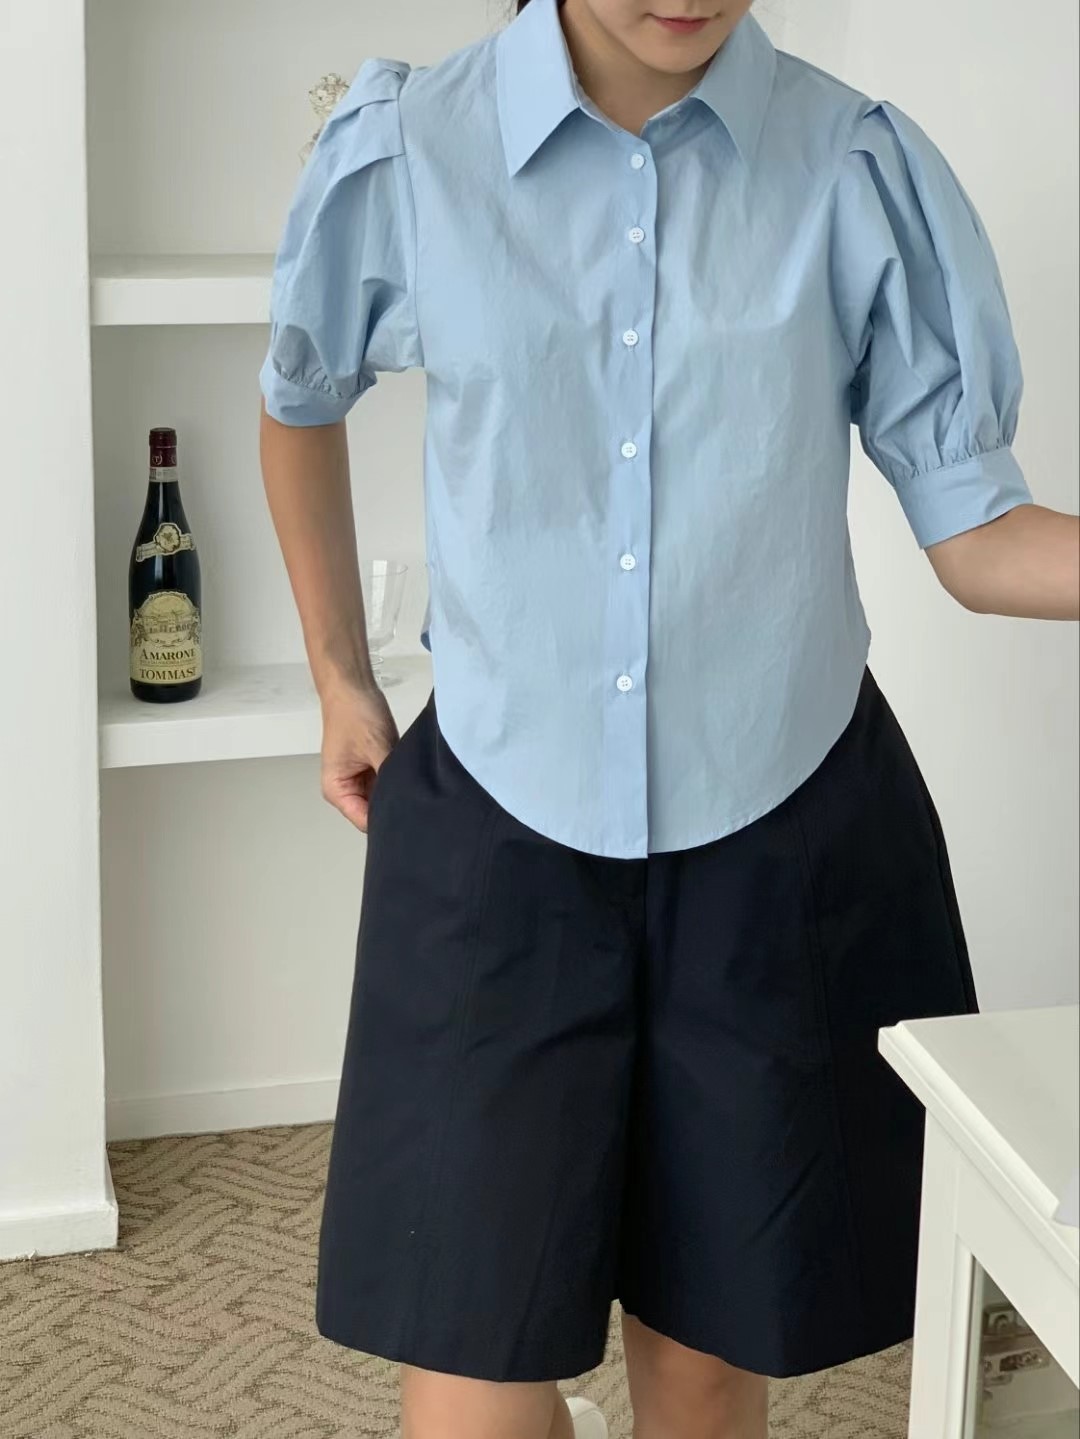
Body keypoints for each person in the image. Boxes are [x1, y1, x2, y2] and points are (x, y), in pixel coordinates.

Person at [257, 0, 1080, 1434]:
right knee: (472, 1355)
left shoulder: (851, 163)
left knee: (705, 1354)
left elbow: (976, 535)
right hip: (501, 822)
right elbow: (298, 397)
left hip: (779, 825)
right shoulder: (410, 145)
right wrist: (340, 674)